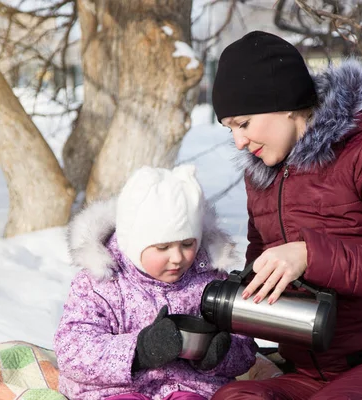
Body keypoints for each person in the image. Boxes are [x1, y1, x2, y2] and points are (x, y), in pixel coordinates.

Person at [209, 31, 362, 399]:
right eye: (230, 130)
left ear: (284, 102)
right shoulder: (260, 177)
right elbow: (261, 278)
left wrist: (310, 255)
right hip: (308, 368)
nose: (239, 141)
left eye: (244, 124)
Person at [53, 165, 257, 400]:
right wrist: (139, 349)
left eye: (188, 244)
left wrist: (219, 355)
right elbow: (73, 350)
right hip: (116, 390)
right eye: (163, 247)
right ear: (133, 242)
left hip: (190, 387)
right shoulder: (101, 283)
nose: (178, 257)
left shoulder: (210, 279)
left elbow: (245, 346)